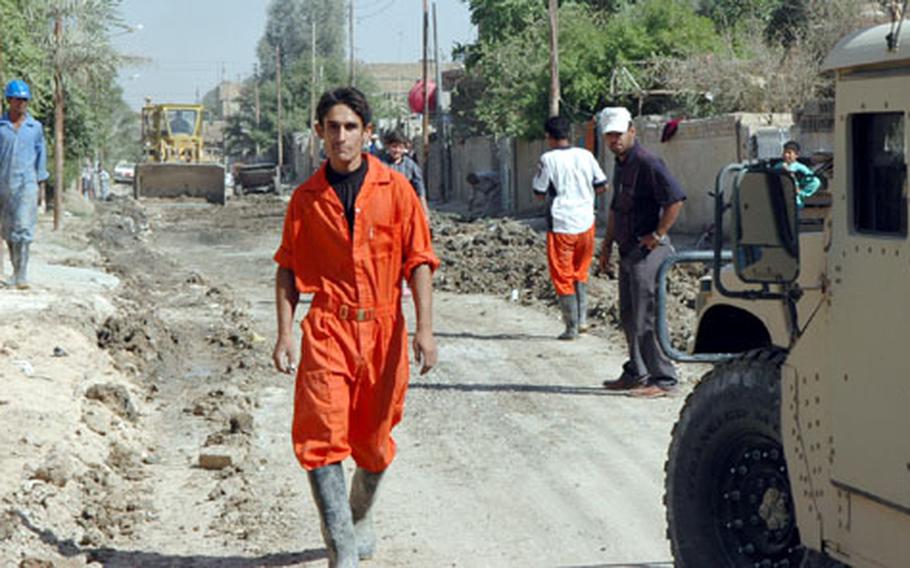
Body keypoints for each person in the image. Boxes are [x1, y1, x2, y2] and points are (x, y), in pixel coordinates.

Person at [272, 86, 439, 567]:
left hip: (384, 330)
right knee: (321, 436)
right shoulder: (305, 200)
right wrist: (285, 333)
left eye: (350, 127)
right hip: (328, 329)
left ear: (367, 133)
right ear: (319, 133)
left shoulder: (397, 191)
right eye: (332, 127)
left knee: (374, 441)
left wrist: (424, 329)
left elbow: (420, 261)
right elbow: (287, 267)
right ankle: (341, 548)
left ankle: (358, 515)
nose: (341, 137)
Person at [598, 107, 686, 398]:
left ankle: (665, 379)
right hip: (627, 249)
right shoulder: (621, 163)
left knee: (646, 317)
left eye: (619, 134)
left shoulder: (648, 162)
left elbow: (675, 199)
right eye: (610, 135)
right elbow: (616, 209)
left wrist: (658, 235)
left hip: (647, 251)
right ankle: (637, 372)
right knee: (628, 314)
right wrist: (606, 246)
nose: (615, 140)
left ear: (632, 131)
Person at [531, 116, 608, 340]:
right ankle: (582, 320)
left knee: (562, 275)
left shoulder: (547, 159)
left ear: (549, 136)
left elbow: (539, 192)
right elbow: (602, 185)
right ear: (570, 134)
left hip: (562, 224)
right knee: (580, 272)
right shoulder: (586, 155)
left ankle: (571, 327)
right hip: (586, 223)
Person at [0, 80, 48, 289]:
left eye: (24, 100)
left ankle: (22, 274)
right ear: (9, 100)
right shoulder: (1, 128)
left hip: (27, 184)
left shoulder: (34, 128)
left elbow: (41, 157)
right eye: (17, 99)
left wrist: (40, 185)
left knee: (24, 227)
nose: (21, 104)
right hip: (3, 184)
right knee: (9, 230)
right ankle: (14, 270)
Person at [381, 129, 429, 217]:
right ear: (388, 147)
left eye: (400, 147)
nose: (397, 150)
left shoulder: (411, 166)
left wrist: (424, 211)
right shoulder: (380, 165)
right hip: (385, 207)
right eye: (394, 146)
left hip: (405, 207)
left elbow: (420, 190)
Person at [777, 140, 821, 207]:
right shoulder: (778, 166)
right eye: (785, 152)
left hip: (795, 201)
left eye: (789, 153)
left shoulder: (800, 168)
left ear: (796, 155)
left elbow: (814, 181)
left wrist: (800, 192)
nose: (786, 155)